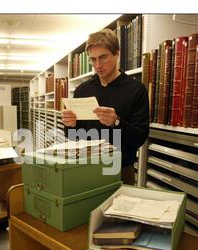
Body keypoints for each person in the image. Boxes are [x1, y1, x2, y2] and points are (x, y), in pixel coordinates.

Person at [62, 28, 149, 185]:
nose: (97, 65)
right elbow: (74, 137)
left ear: (117, 53)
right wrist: (70, 125)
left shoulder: (136, 89)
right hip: (85, 166)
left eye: (103, 57)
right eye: (93, 59)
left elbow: (140, 137)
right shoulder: (82, 90)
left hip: (120, 169)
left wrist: (117, 122)